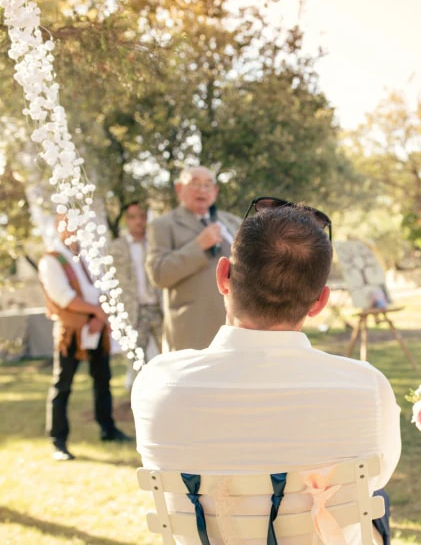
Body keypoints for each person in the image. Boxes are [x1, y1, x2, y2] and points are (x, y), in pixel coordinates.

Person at [132, 203, 401, 544]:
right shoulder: (368, 387)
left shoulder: (156, 382)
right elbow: (376, 478)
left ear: (223, 276)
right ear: (319, 302)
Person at [39, 215, 131, 461]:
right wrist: (96, 311)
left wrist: (99, 316)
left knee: (103, 382)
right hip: (71, 333)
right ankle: (58, 440)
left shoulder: (88, 257)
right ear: (58, 226)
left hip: (96, 328)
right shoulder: (52, 260)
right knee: (63, 385)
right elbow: (64, 297)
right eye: (67, 223)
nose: (73, 228)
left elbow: (102, 289)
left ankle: (107, 428)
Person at [145, 166, 242, 352]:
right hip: (192, 330)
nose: (202, 190)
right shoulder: (163, 226)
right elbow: (158, 275)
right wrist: (198, 246)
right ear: (179, 189)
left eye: (207, 185)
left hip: (235, 326)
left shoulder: (232, 221)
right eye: (195, 183)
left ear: (215, 191)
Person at [109, 201, 162, 391]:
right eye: (133, 217)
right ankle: (140, 411)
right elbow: (109, 283)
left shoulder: (158, 243)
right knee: (137, 367)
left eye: (142, 216)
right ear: (126, 220)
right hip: (133, 313)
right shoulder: (115, 248)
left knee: (172, 359)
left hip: (160, 309)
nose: (138, 221)